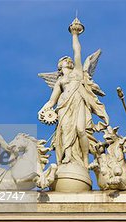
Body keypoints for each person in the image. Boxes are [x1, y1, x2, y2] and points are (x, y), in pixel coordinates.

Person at [38, 18, 109, 168]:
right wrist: (44, 109)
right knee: (64, 130)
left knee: (81, 130)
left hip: (78, 101)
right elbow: (52, 101)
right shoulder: (60, 81)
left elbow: (77, 51)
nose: (69, 60)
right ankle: (68, 155)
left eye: (69, 59)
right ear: (60, 65)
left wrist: (74, 34)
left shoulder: (77, 72)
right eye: (65, 60)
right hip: (64, 105)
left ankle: (84, 159)